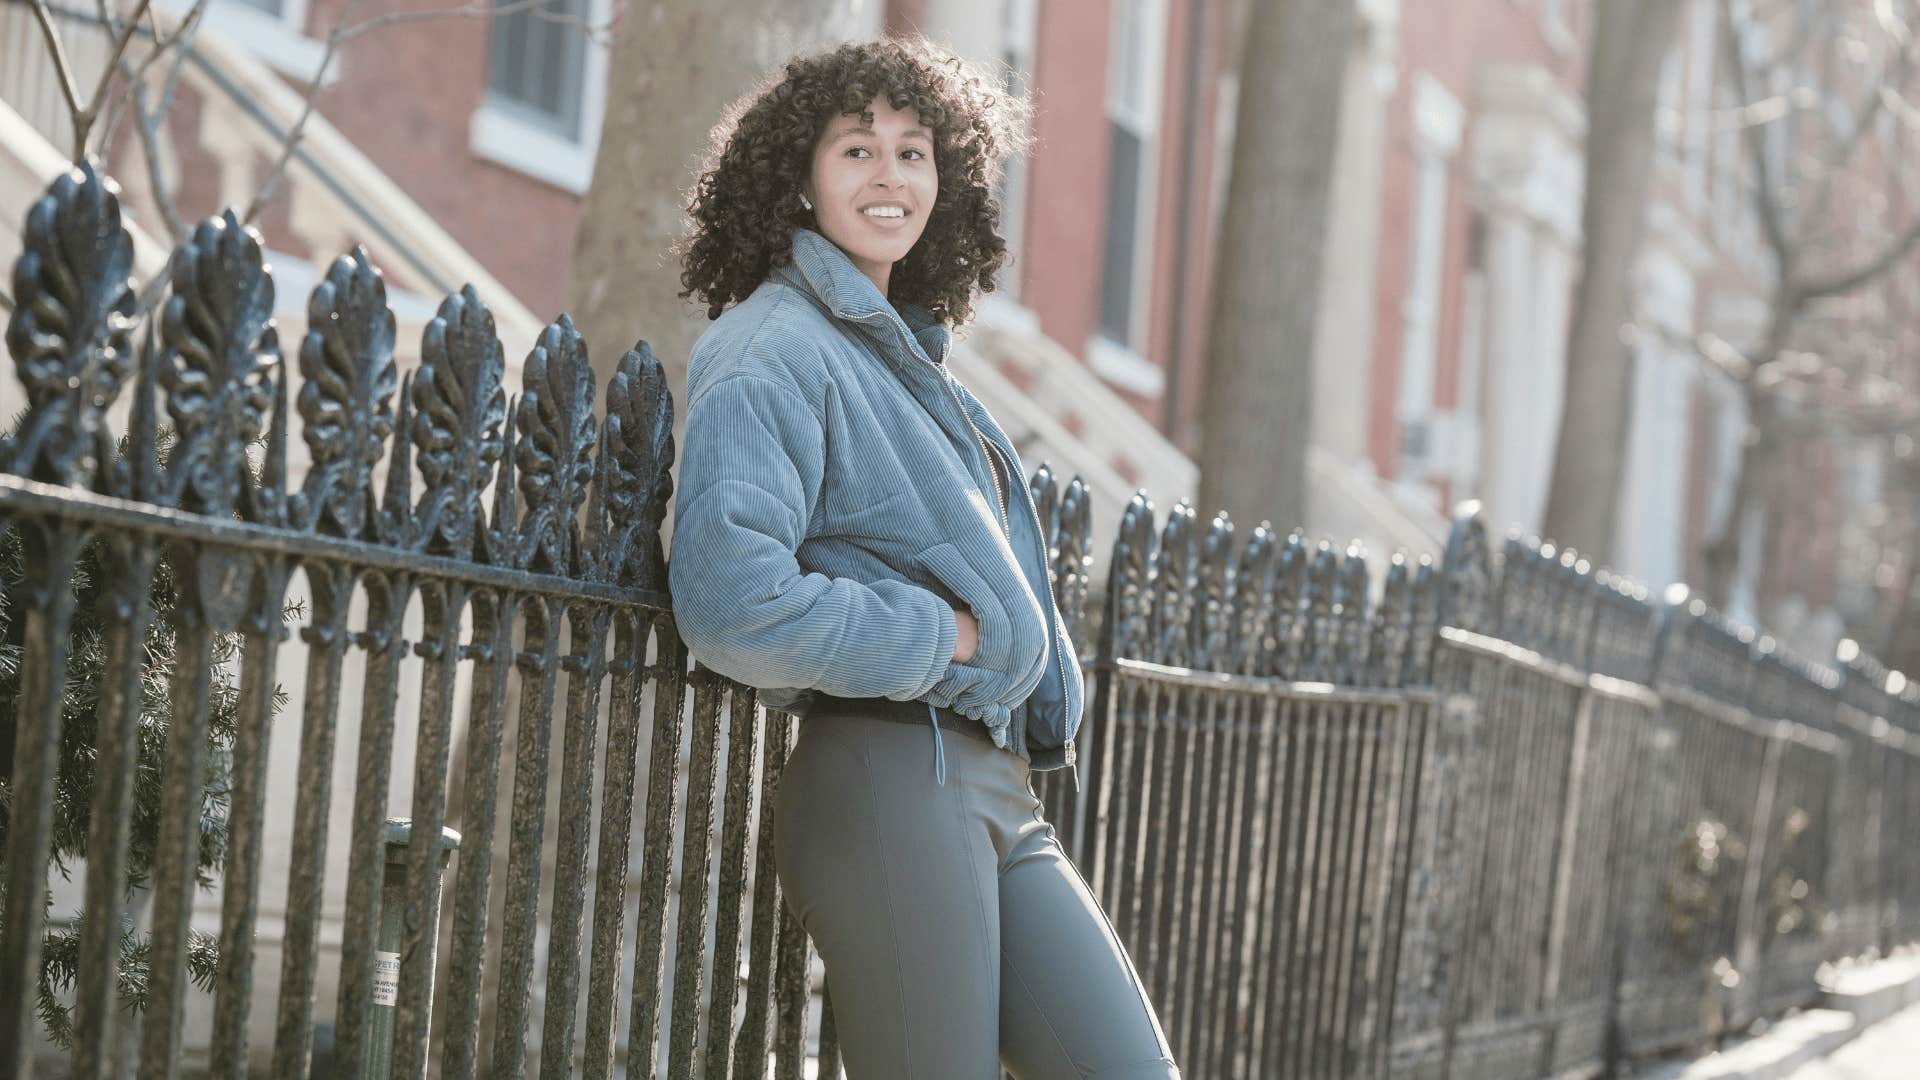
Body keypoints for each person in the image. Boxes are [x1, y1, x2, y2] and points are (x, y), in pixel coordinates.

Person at [666, 35, 1181, 1080]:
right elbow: (728, 603)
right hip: (891, 778)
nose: (889, 176)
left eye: (914, 152)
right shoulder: (774, 348)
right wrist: (938, 633)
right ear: (799, 179)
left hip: (991, 787)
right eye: (856, 149)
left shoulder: (899, 360)